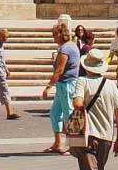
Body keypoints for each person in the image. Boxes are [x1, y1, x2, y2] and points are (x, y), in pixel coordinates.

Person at [69, 49, 118, 170]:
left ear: (86, 67)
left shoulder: (82, 81)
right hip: (106, 137)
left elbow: (77, 103)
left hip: (87, 135)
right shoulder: (111, 84)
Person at [42, 22, 81, 154]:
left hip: (67, 85)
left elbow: (59, 70)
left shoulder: (65, 49)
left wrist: (48, 87)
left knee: (68, 115)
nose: (53, 38)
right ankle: (57, 143)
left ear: (60, 34)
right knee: (55, 114)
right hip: (63, 85)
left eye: (54, 34)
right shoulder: (71, 46)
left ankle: (73, 145)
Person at [0, 28, 20, 120]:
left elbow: (1, 60)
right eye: (4, 37)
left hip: (1, 71)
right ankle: (10, 113)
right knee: (5, 91)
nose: (5, 39)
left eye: (7, 37)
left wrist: (6, 69)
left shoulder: (1, 45)